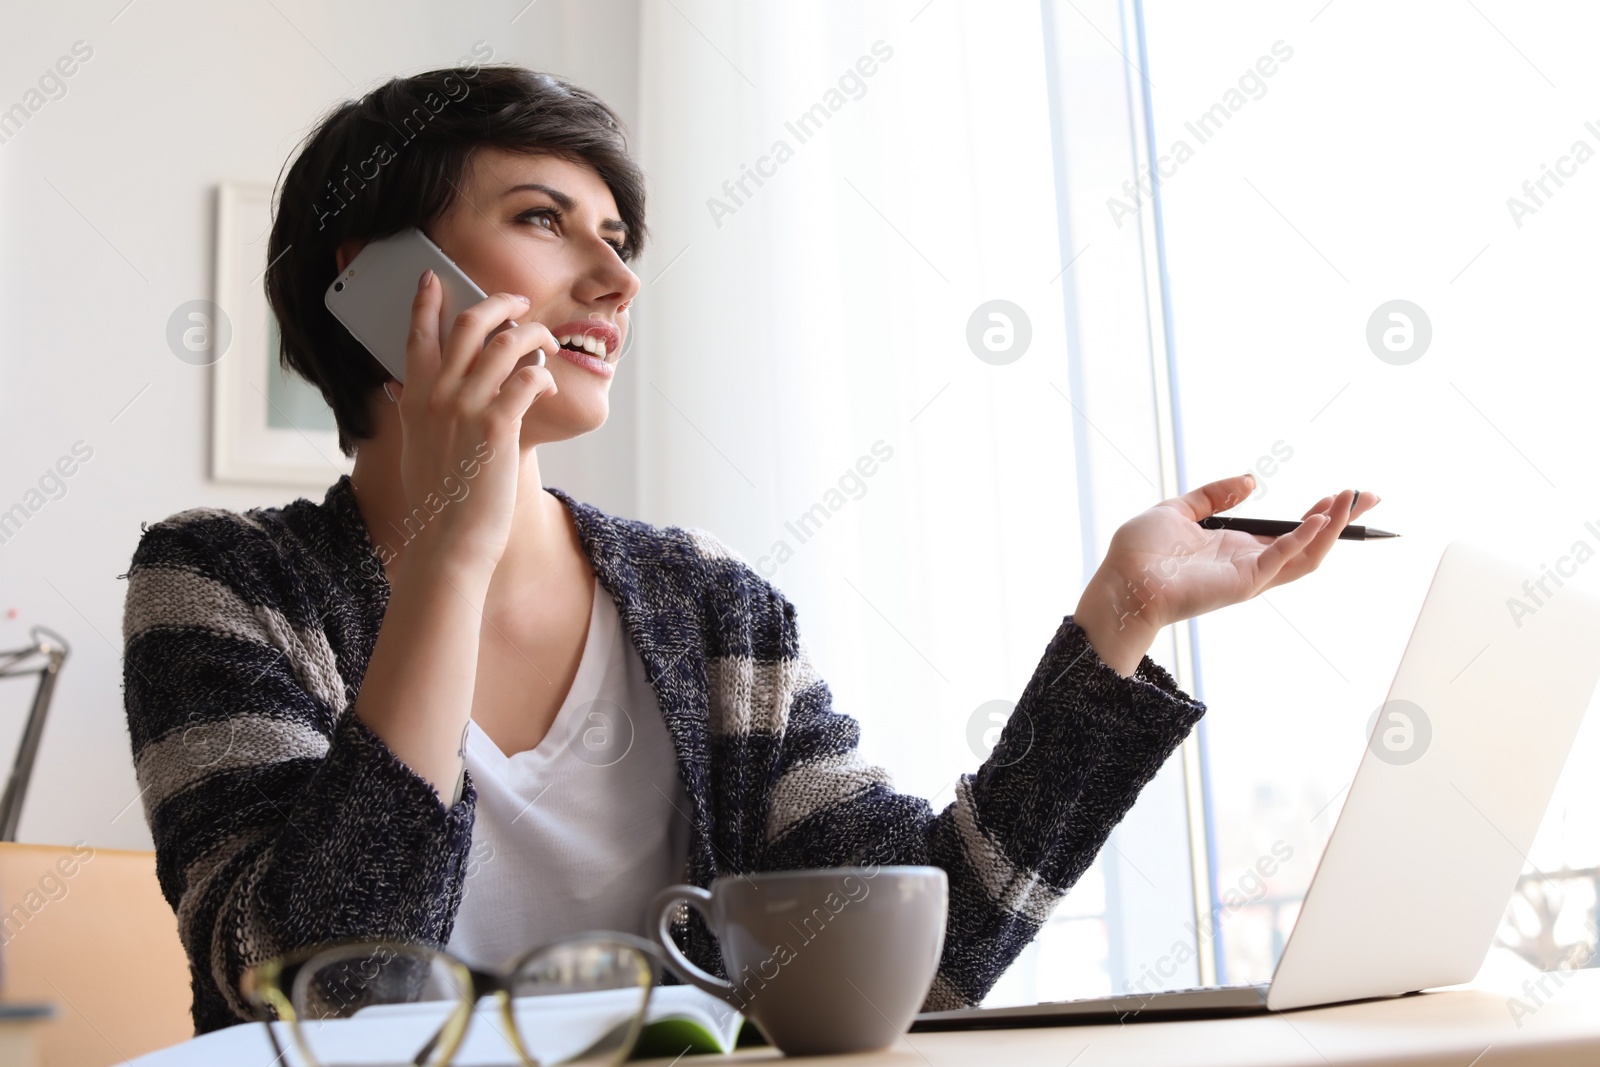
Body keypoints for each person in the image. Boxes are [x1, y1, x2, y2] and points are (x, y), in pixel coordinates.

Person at [120, 64, 1380, 1035]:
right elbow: (325, 983)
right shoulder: (222, 584)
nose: (614, 280)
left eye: (620, 240)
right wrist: (456, 542)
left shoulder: (708, 604)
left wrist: (1122, 612)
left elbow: (923, 962)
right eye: (545, 220)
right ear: (388, 280)